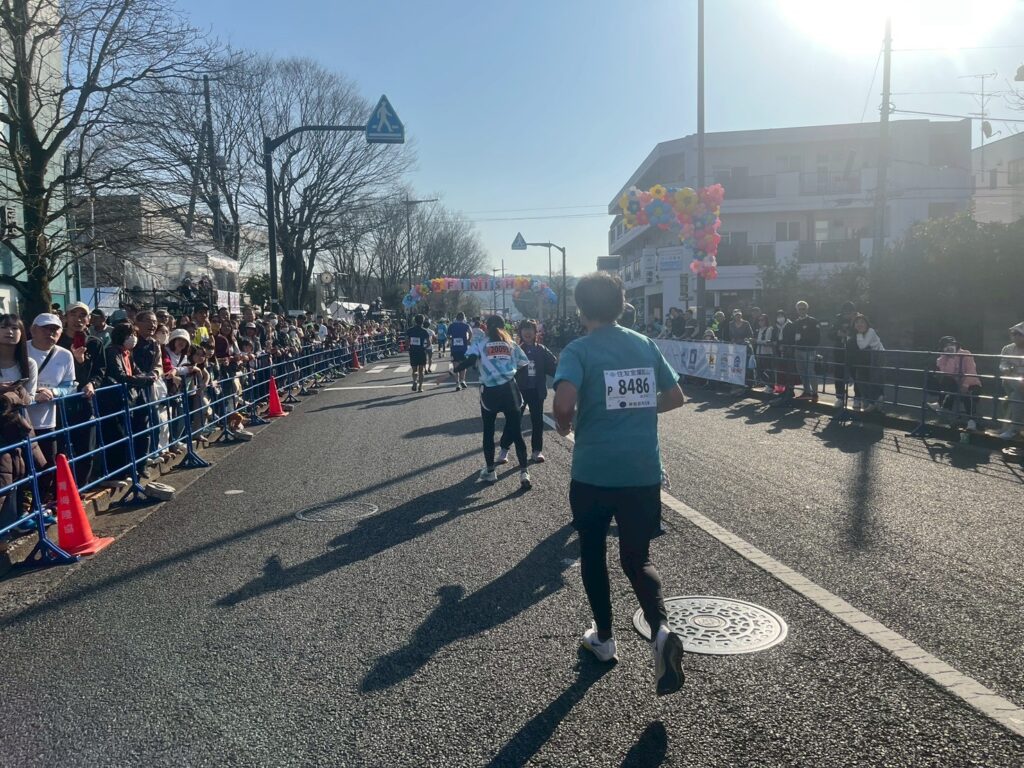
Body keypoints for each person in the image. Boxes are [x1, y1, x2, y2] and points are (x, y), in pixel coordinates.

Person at [551, 272, 686, 696]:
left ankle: (605, 639)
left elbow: (563, 404)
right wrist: (637, 410)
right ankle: (660, 630)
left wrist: (564, 424)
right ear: (622, 304)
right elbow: (676, 397)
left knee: (593, 552)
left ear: (581, 310)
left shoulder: (578, 349)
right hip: (642, 471)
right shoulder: (644, 345)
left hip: (594, 472)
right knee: (637, 557)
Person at [451, 315, 532, 488]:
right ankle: (524, 472)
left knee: (488, 431)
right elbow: (524, 364)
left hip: (490, 392)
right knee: (516, 432)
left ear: (486, 327)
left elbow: (470, 361)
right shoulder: (511, 344)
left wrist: (453, 371)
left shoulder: (480, 343)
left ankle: (490, 471)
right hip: (510, 390)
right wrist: (511, 377)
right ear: (504, 327)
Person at [27, 313, 76, 502]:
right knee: (21, 467)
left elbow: (70, 385)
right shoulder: (21, 350)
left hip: (48, 420)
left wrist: (53, 392)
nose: (50, 333)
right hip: (20, 419)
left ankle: (41, 504)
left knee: (47, 465)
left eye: (55, 329)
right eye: (45, 328)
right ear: (33, 330)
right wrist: (33, 394)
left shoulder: (65, 355)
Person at [496, 320, 558, 465]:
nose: (527, 332)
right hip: (519, 391)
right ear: (520, 332)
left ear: (536, 332)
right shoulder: (515, 349)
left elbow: (553, 367)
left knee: (537, 422)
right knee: (513, 421)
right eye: (524, 329)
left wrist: (564, 378)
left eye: (530, 329)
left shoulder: (541, 350)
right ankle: (504, 449)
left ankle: (537, 451)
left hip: (537, 391)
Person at [934, 336, 982, 431]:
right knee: (947, 380)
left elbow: (971, 371)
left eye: (951, 345)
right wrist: (951, 357)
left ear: (956, 345)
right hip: (955, 385)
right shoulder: (942, 359)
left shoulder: (966, 353)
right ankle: (948, 412)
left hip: (972, 383)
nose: (949, 347)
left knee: (968, 394)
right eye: (946, 346)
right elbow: (948, 373)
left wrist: (965, 385)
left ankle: (971, 421)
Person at [847, 314, 884, 411]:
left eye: (862, 322)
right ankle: (872, 401)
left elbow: (862, 346)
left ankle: (873, 402)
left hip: (877, 357)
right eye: (857, 322)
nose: (859, 324)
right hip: (866, 359)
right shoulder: (856, 334)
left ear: (867, 324)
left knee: (872, 379)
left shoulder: (871, 331)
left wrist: (859, 334)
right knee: (860, 379)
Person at [998, 322, 1024, 440]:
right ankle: (1014, 429)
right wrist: (1006, 369)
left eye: (1019, 334)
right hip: (1013, 379)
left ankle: (1014, 429)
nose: (1015, 336)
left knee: (1016, 396)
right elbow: (1002, 364)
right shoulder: (1007, 349)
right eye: (1013, 334)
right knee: (1017, 388)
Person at [792, 301, 820, 401]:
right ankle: (807, 392)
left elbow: (817, 338)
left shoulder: (813, 321)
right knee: (802, 372)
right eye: (799, 309)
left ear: (807, 309)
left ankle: (815, 394)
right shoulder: (795, 323)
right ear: (797, 310)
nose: (801, 311)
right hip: (798, 350)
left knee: (810, 372)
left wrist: (806, 342)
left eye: (803, 309)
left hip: (809, 351)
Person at [832, 301, 857, 403]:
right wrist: (838, 334)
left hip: (854, 351)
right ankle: (840, 397)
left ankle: (858, 397)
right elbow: (830, 334)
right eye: (845, 311)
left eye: (849, 311)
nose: (847, 313)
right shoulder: (838, 320)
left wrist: (850, 333)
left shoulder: (858, 319)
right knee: (838, 374)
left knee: (855, 374)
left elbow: (863, 331)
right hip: (839, 351)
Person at [447, 313, 472, 390]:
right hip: (463, 348)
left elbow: (448, 335)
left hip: (454, 349)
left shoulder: (451, 325)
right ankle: (462, 380)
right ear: (463, 318)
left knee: (455, 366)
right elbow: (470, 333)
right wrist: (468, 340)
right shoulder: (466, 325)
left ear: (456, 318)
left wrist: (451, 340)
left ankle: (457, 384)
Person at [405, 315, 431, 392]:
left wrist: (408, 347)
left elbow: (406, 341)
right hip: (421, 351)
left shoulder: (410, 330)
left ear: (415, 321)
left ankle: (414, 381)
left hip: (413, 351)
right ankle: (420, 387)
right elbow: (429, 343)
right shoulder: (424, 331)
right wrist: (424, 348)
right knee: (421, 370)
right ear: (422, 322)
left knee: (414, 370)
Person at [753, 314, 779, 389]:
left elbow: (768, 341)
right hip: (759, 352)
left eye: (762, 320)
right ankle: (764, 383)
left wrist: (757, 341)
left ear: (766, 321)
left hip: (767, 353)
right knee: (759, 370)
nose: (760, 322)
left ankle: (771, 385)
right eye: (759, 320)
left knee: (768, 370)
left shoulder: (770, 329)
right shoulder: (758, 329)